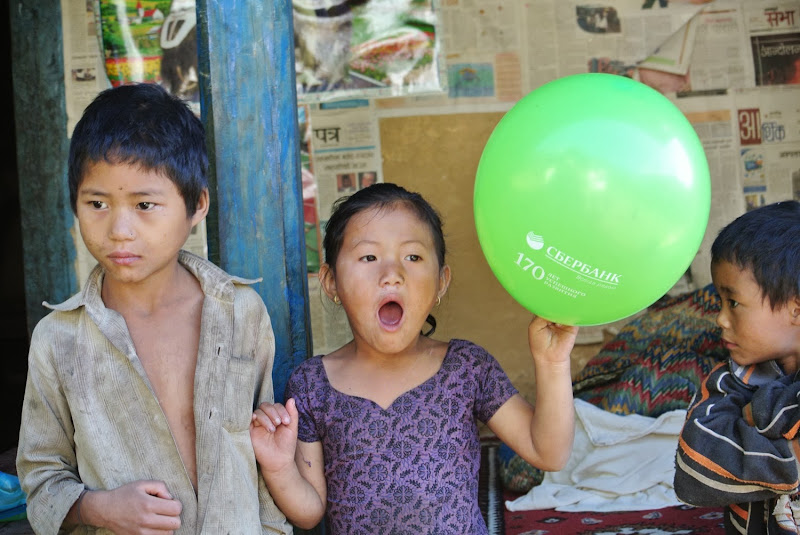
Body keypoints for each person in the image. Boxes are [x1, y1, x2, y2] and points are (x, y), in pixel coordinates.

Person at [15, 83, 291, 534]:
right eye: (97, 204)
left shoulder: (242, 312)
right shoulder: (58, 339)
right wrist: (96, 508)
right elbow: (40, 474)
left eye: (145, 205)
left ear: (196, 204)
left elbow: (263, 460)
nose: (120, 229)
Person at [250, 183, 578, 532]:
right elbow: (310, 511)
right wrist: (279, 467)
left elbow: (549, 453)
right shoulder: (313, 385)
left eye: (413, 257)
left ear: (441, 281)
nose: (392, 274)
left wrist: (553, 363)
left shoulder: (466, 368)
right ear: (331, 282)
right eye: (369, 257)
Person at [674, 200, 800, 534]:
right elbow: (693, 469)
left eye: (733, 302)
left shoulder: (744, 399)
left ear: (796, 309)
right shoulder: (730, 381)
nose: (719, 317)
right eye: (719, 301)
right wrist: (793, 458)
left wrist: (756, 414)